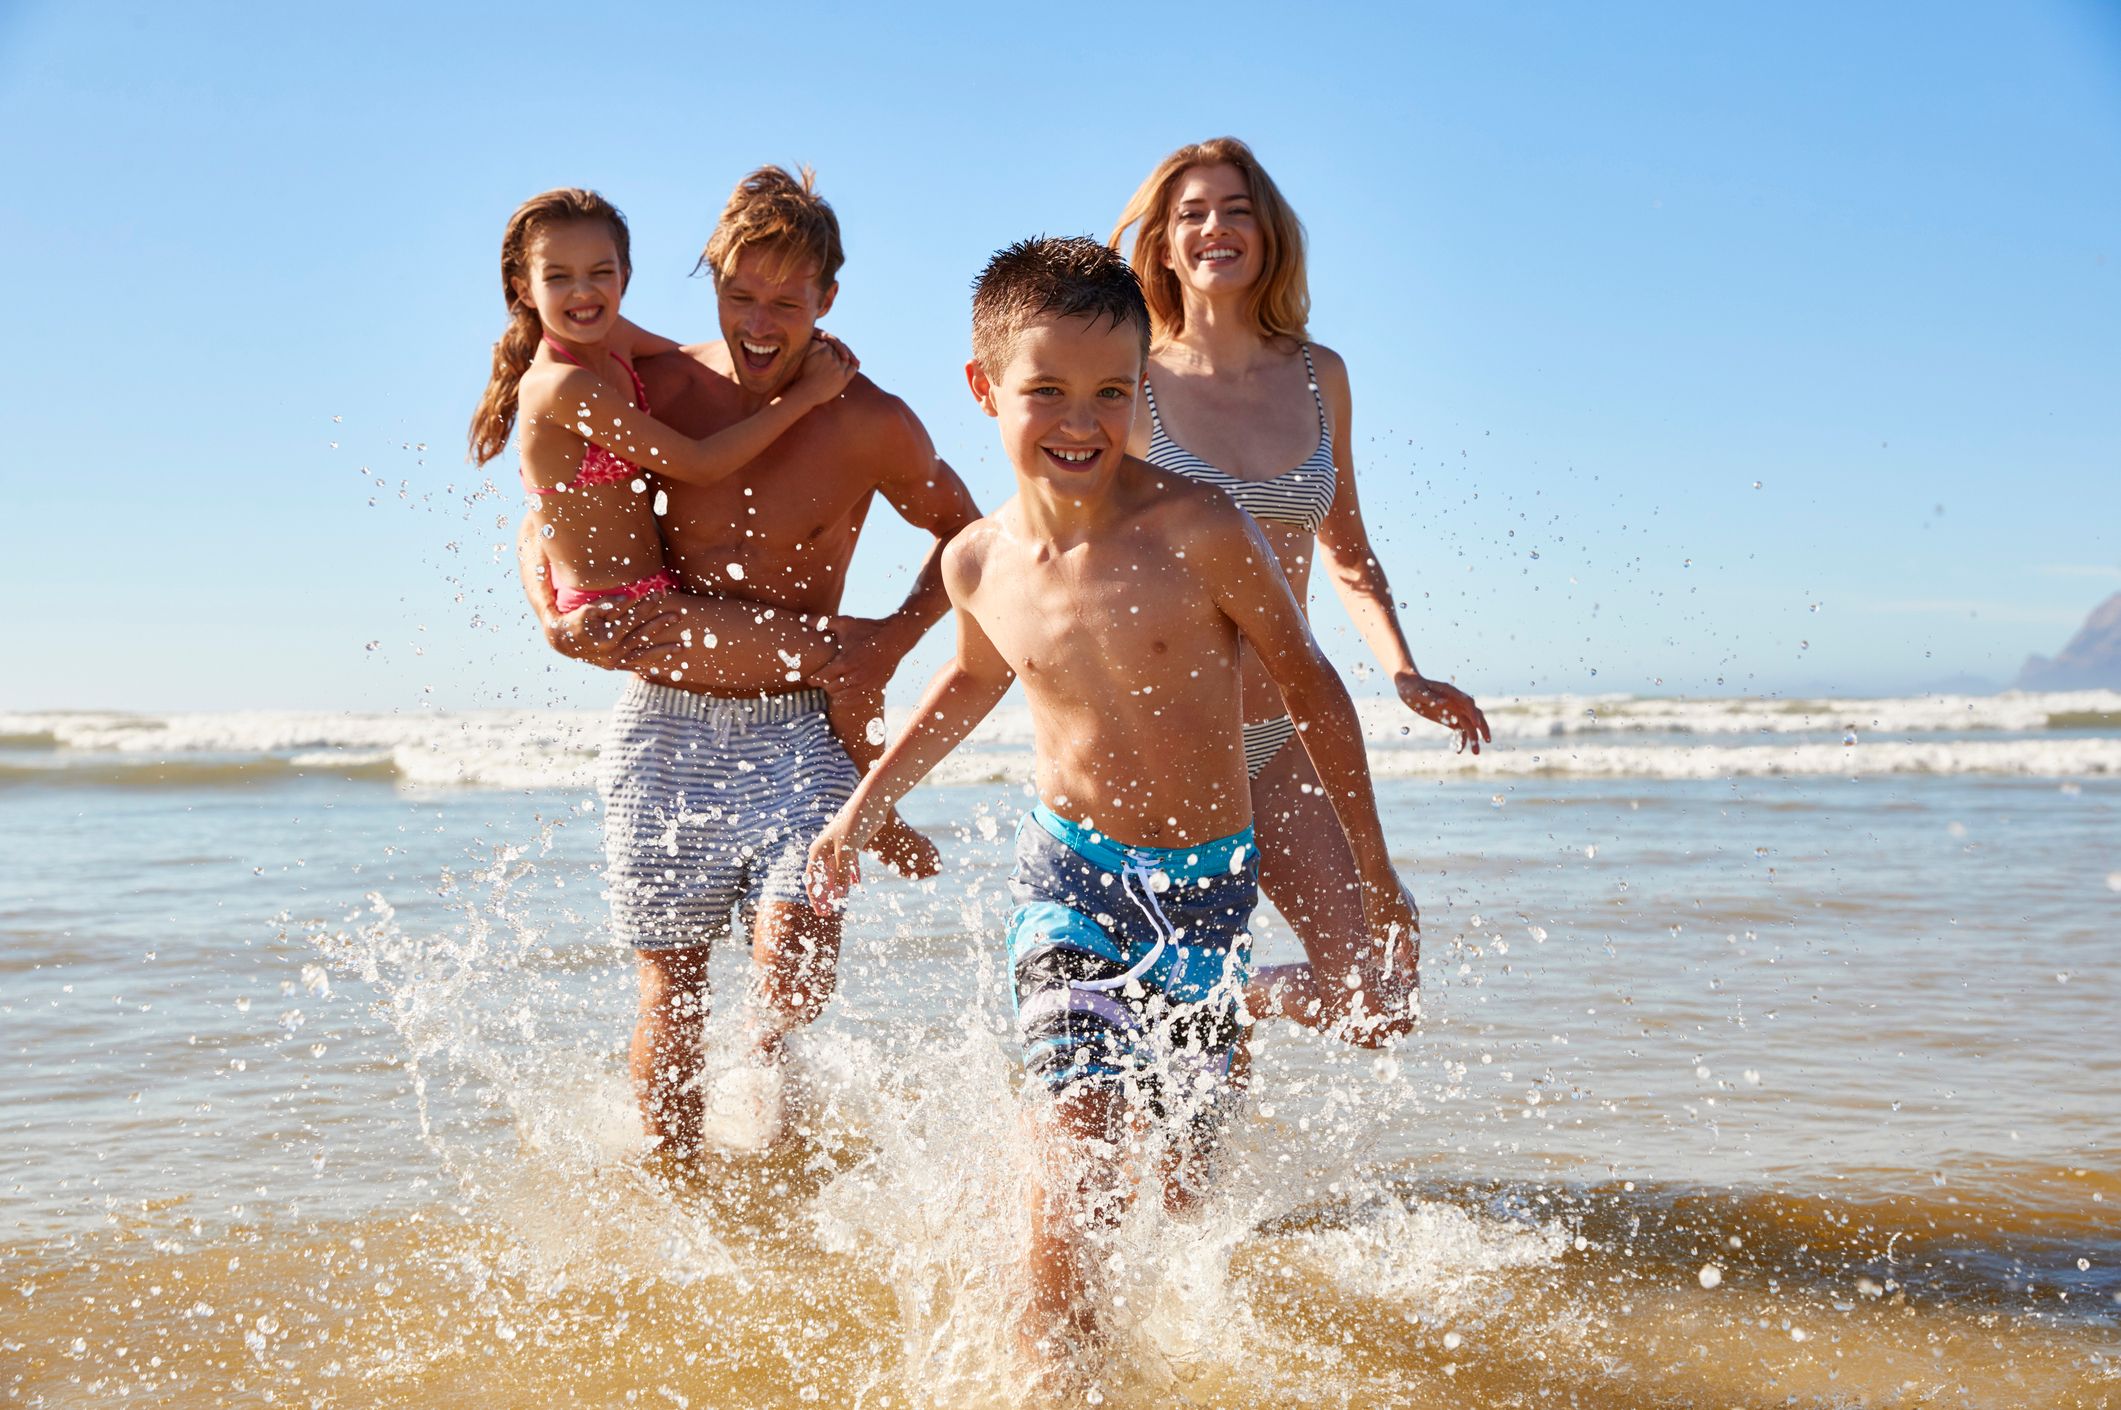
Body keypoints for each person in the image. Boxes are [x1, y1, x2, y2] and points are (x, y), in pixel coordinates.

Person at [803, 237, 1416, 1370]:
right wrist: (860, 809)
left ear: (1145, 392)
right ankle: (1049, 1371)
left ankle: (1240, 1005)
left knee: (1182, 1214)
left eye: (1111, 393)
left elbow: (1314, 691)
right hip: (1071, 890)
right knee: (1074, 1188)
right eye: (1045, 390)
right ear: (984, 388)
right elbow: (976, 678)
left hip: (1210, 897)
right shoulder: (979, 562)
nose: (1079, 420)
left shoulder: (1201, 530)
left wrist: (1377, 875)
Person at [513, 168, 979, 1155]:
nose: (760, 324)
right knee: (671, 992)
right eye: (739, 295)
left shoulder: (869, 420)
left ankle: (781, 1165)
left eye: (786, 301)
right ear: (709, 282)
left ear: (828, 302)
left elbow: (969, 541)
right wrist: (549, 608)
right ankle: (679, 1195)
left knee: (788, 973)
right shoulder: (659, 384)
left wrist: (887, 644)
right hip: (665, 725)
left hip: (797, 724)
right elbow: (547, 495)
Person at [1110, 137, 1491, 1027]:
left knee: (1376, 998)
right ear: (1163, 243)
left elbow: (1346, 551)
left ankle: (1221, 1004)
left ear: (1269, 234)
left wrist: (1403, 672)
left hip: (1281, 733)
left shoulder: (1320, 377)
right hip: (1162, 739)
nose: (1215, 228)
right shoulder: (1131, 385)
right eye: (1191, 213)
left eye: (1236, 210)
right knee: (1162, 1051)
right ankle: (1182, 1012)